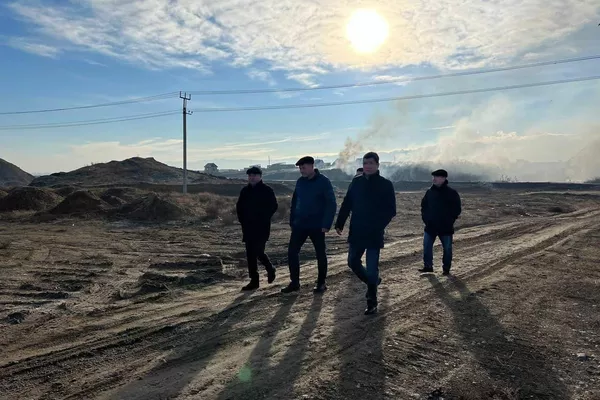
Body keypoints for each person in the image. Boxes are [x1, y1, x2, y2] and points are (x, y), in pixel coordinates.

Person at [335, 152, 397, 315]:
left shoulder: (385, 184)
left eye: (371, 163)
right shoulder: (356, 183)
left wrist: (378, 226)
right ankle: (373, 282)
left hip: (374, 233)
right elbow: (347, 203)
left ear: (377, 165)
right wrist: (340, 223)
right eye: (365, 163)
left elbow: (391, 210)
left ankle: (372, 301)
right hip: (357, 230)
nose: (367, 166)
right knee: (352, 262)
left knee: (371, 267)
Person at [282, 156, 337, 294]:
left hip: (317, 225)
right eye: (300, 168)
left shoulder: (323, 181)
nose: (301, 170)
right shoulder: (300, 182)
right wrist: (292, 220)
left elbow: (331, 203)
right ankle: (294, 283)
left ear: (312, 166)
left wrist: (326, 224)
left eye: (304, 167)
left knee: (320, 253)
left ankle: (321, 283)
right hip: (300, 224)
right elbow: (295, 202)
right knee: (292, 252)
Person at [236, 166, 278, 291]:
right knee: (250, 254)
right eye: (250, 176)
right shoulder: (245, 191)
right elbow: (239, 207)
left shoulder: (267, 190)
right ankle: (254, 281)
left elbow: (273, 206)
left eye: (254, 175)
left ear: (260, 176)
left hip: (262, 227)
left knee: (258, 251)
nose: (252, 178)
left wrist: (263, 218)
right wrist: (242, 220)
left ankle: (270, 268)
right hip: (248, 227)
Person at [419, 169, 462, 275]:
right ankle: (428, 266)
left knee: (447, 249)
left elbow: (457, 209)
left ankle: (446, 269)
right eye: (433, 177)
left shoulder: (452, 193)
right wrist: (426, 219)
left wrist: (449, 220)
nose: (433, 179)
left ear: (443, 178)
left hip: (445, 227)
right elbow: (424, 206)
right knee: (427, 246)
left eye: (436, 177)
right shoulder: (429, 192)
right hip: (430, 226)